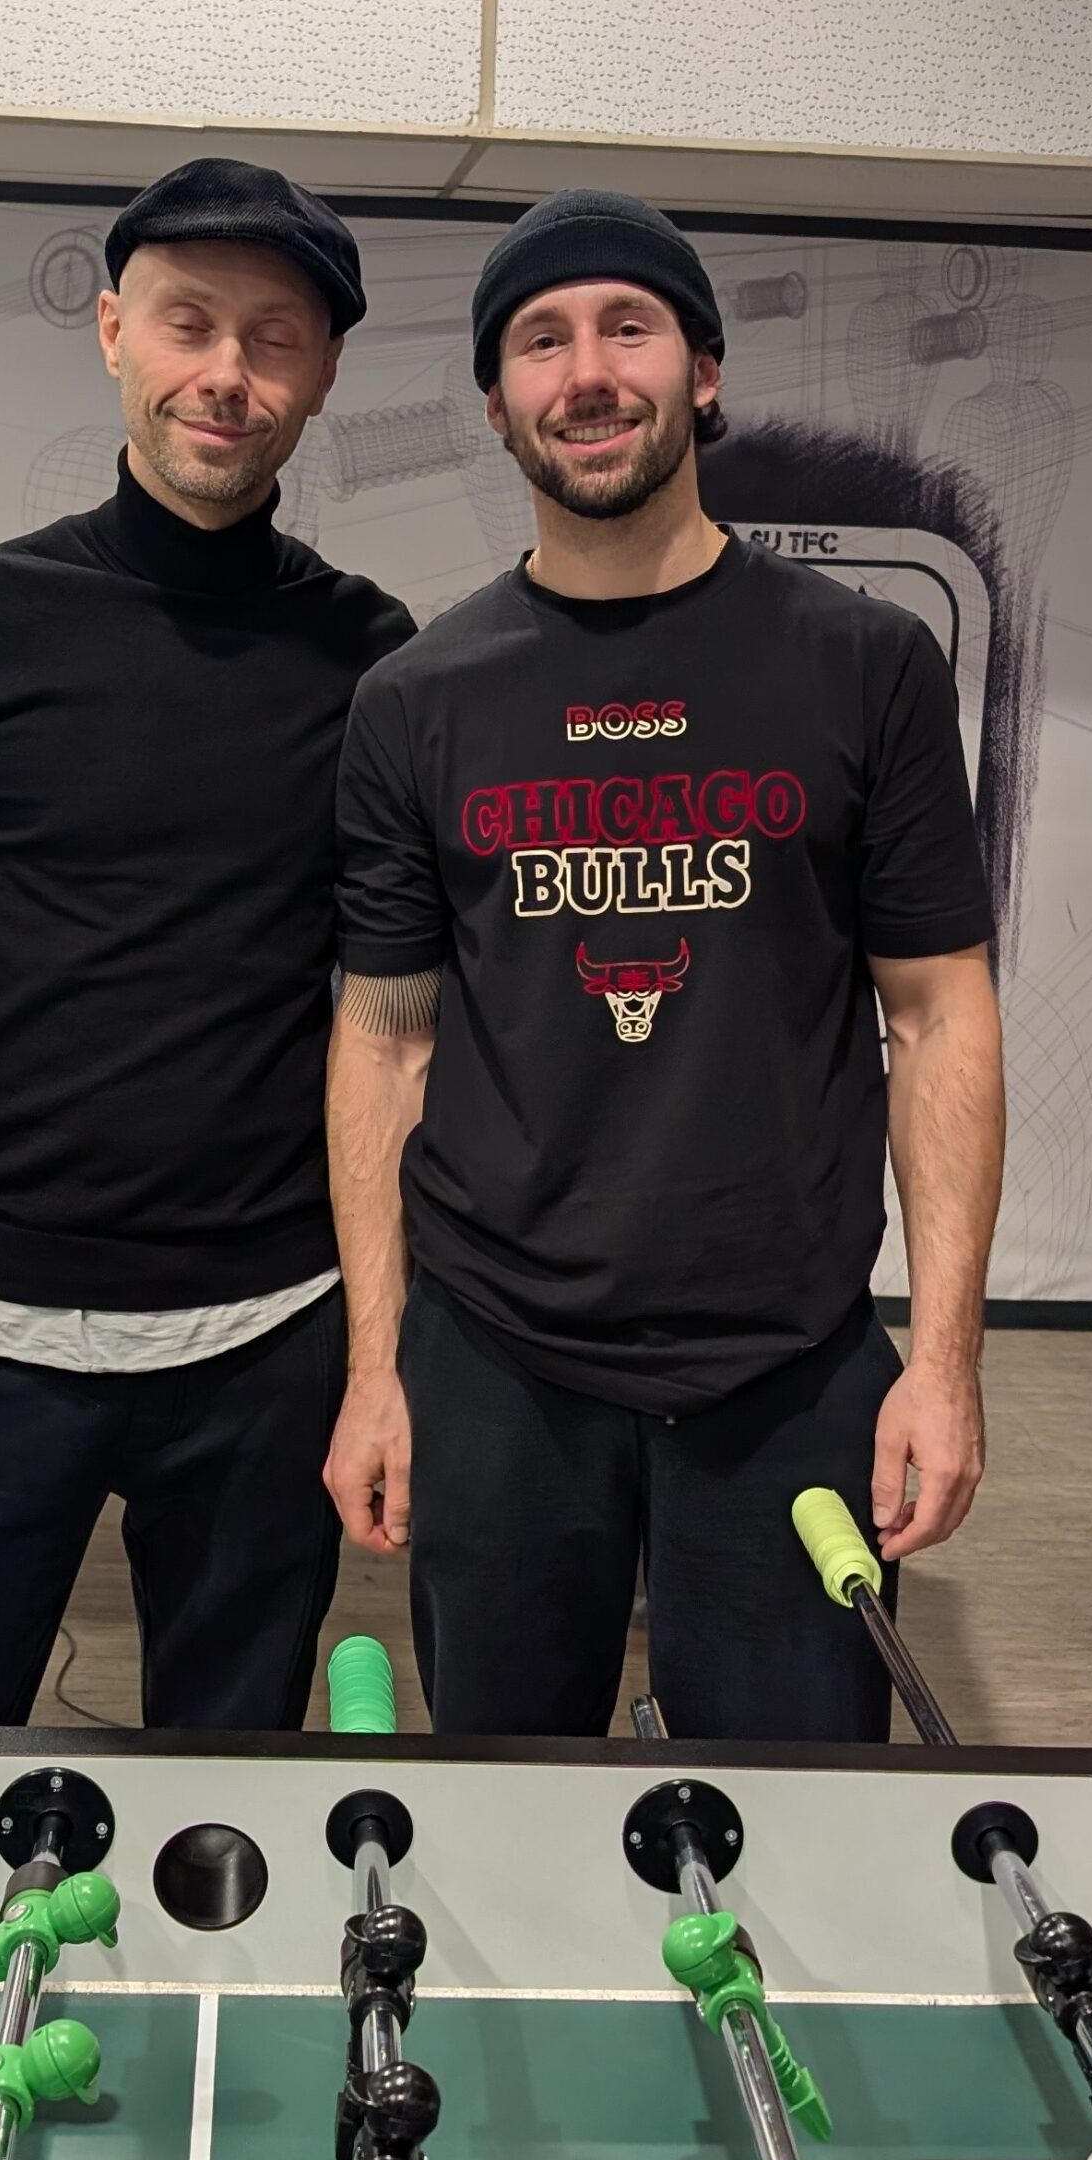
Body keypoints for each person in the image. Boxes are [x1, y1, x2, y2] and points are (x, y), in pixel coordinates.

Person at [323, 189, 1004, 1740]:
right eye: (538, 340)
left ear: (700, 371)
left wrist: (944, 1361)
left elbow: (935, 1014)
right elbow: (384, 1042)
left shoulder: (863, 664)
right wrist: (375, 1368)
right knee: (507, 1811)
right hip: (494, 1360)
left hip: (788, 1361)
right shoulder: (417, 699)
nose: (585, 373)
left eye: (624, 328)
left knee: (786, 1820)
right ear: (495, 400)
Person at [0, 158, 413, 1729]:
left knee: (223, 1812)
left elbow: (392, 1020)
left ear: (322, 373)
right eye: (187, 323)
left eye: (272, 338)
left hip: (269, 1340)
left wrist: (374, 1356)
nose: (226, 374)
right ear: (110, 334)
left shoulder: (370, 656)